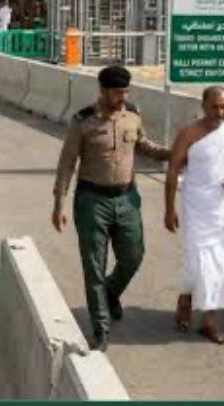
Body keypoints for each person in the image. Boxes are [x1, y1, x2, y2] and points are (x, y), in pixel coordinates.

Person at [52, 66, 170, 350]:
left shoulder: (133, 115)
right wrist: (59, 204)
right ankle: (101, 328)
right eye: (117, 93)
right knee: (94, 266)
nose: (122, 97)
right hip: (92, 201)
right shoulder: (83, 121)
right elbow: (67, 164)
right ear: (103, 91)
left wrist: (174, 152)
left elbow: (144, 145)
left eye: (125, 92)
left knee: (133, 256)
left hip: (127, 199)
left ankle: (110, 292)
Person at [164, 86, 224, 344]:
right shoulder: (188, 133)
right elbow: (172, 171)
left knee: (220, 264)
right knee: (197, 260)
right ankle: (190, 302)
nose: (220, 112)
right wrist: (169, 209)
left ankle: (207, 316)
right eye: (215, 107)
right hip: (197, 207)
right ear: (203, 106)